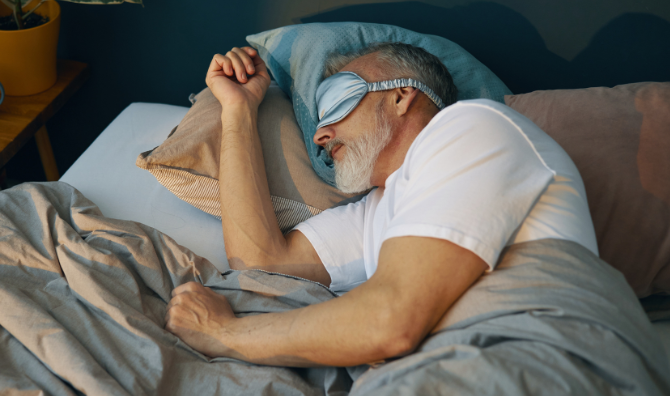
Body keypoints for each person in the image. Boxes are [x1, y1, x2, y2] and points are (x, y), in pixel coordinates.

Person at [164, 42, 598, 367]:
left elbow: (392, 320)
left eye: (335, 104)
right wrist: (238, 109)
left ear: (401, 95)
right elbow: (259, 263)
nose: (320, 134)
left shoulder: (475, 128)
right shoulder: (378, 209)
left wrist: (223, 333)